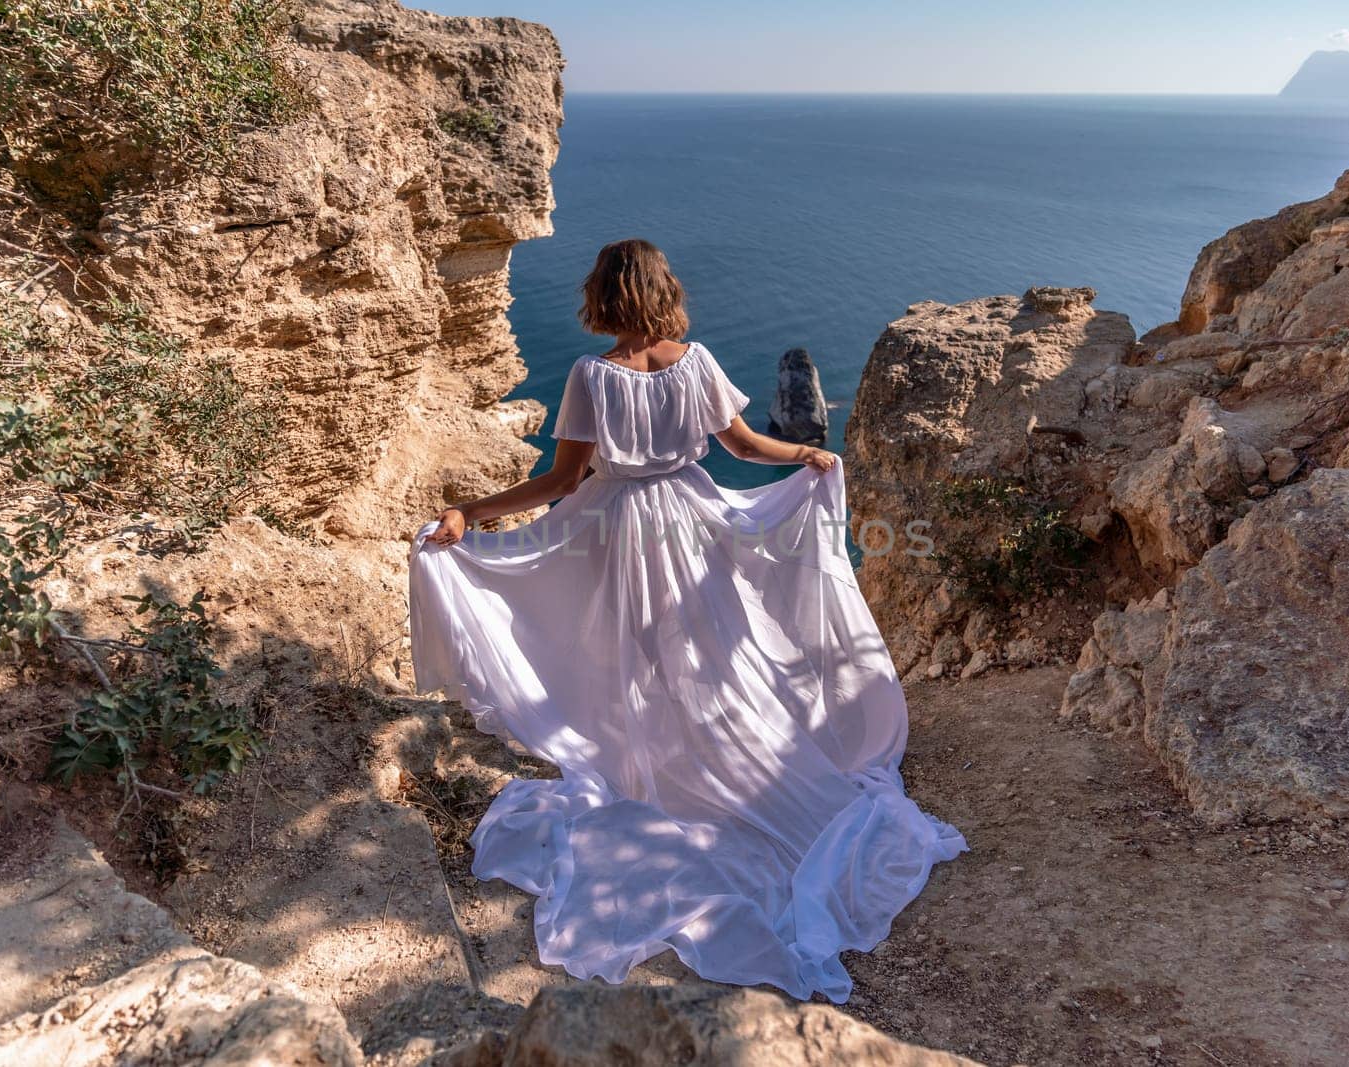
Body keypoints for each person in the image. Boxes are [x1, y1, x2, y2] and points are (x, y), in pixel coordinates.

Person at [409, 238, 965, 1003]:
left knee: (630, 658)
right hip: (693, 519)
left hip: (620, 529)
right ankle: (708, 761)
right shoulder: (697, 362)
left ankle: (660, 770)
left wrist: (470, 515)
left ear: (603, 296)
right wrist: (808, 454)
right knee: (709, 653)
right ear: (664, 290)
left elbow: (563, 480)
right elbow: (741, 445)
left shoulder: (590, 375)